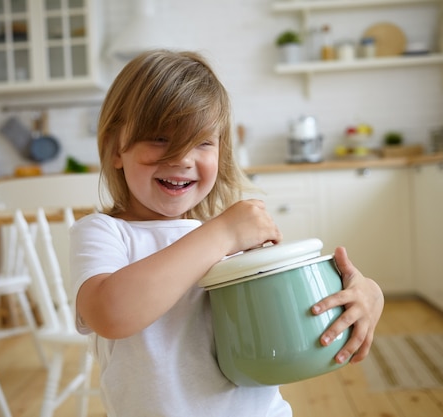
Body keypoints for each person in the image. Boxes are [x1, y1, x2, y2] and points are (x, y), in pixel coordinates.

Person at [71, 49, 384, 417]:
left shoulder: (231, 235)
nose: (183, 158)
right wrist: (221, 234)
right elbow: (110, 315)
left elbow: (294, 310)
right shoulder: (106, 232)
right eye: (158, 138)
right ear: (114, 148)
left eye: (202, 142)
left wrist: (367, 293)